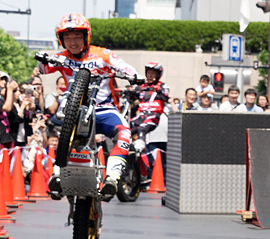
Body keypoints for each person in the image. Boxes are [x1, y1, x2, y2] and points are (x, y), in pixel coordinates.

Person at [38, 13, 140, 198]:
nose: (73, 42)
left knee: (124, 133)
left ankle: (112, 178)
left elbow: (123, 66)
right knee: (62, 132)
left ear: (86, 36)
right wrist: (42, 59)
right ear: (61, 40)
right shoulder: (62, 57)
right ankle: (57, 174)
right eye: (67, 37)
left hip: (105, 109)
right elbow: (43, 69)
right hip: (74, 110)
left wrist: (134, 75)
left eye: (77, 36)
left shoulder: (102, 54)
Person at [130, 61, 171, 140]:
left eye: (153, 73)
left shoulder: (162, 86)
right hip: (141, 115)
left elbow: (166, 97)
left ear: (158, 75)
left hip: (153, 116)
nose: (150, 76)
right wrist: (128, 93)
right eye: (148, 73)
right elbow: (131, 99)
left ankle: (139, 149)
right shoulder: (141, 86)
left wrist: (159, 90)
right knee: (125, 128)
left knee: (142, 129)